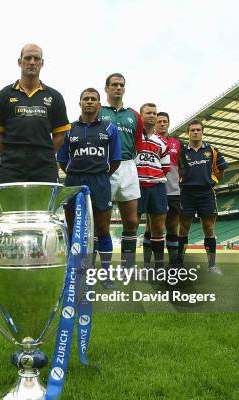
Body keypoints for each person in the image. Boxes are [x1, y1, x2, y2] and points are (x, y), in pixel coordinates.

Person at [56, 88, 121, 288]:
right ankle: (74, 271)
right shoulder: (69, 129)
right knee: (73, 228)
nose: (90, 102)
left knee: (102, 229)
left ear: (99, 105)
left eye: (93, 99)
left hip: (100, 181)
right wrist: (76, 173)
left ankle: (106, 274)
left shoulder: (110, 128)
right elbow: (62, 160)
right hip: (74, 182)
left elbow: (116, 159)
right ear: (80, 103)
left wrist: (100, 174)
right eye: (86, 99)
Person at [0, 43, 70, 183]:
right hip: (11, 168)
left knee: (43, 206)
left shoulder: (55, 96)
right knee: (10, 206)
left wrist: (44, 155)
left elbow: (60, 136)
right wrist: (11, 156)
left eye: (36, 59)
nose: (32, 62)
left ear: (42, 63)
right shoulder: (3, 95)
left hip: (45, 168)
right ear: (20, 62)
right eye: (28, 58)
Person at [99, 73, 143, 269]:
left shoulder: (134, 115)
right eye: (114, 85)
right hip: (104, 168)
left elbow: (138, 144)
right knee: (101, 223)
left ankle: (128, 266)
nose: (118, 87)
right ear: (106, 88)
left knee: (132, 221)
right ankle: (103, 268)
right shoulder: (98, 111)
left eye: (121, 85)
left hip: (127, 167)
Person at [177, 120, 228, 274]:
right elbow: (176, 170)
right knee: (183, 228)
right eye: (192, 130)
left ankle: (212, 265)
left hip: (206, 193)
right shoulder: (182, 151)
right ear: (188, 133)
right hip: (186, 194)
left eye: (198, 129)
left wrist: (212, 180)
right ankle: (179, 264)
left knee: (209, 228)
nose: (196, 132)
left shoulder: (212, 150)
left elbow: (221, 170)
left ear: (202, 132)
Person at [135, 103, 170, 270]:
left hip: (157, 186)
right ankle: (130, 265)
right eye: (148, 112)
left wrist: (153, 176)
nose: (152, 115)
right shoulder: (133, 136)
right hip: (136, 185)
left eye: (154, 113)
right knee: (131, 225)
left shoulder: (163, 142)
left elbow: (166, 168)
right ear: (141, 116)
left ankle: (159, 265)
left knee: (157, 227)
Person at [157, 111, 182, 265]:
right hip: (155, 190)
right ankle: (154, 263)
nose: (161, 124)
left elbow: (183, 167)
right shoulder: (148, 141)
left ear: (168, 123)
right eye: (159, 121)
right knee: (153, 227)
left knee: (173, 226)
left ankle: (173, 263)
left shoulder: (177, 143)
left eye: (164, 121)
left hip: (173, 191)